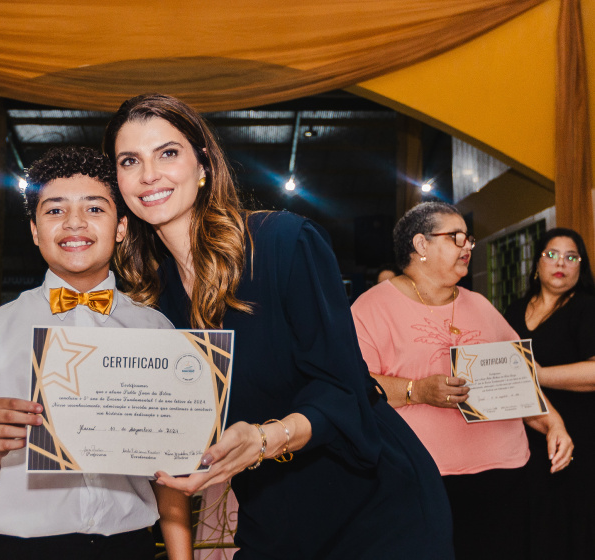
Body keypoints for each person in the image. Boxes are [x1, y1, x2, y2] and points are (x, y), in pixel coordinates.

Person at [103, 93, 453, 559]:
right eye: (130, 161)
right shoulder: (153, 298)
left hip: (374, 507)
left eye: (167, 153)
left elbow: (344, 390)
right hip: (274, 516)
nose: (149, 174)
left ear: (202, 164)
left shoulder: (282, 243)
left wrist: (264, 439)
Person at [0, 146, 192, 560]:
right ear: (35, 231)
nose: (74, 222)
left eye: (95, 209)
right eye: (55, 211)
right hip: (18, 550)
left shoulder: (156, 330)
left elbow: (169, 473)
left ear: (121, 227)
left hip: (128, 548)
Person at [351, 202, 574, 560]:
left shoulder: (480, 305)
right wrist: (417, 390)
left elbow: (517, 380)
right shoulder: (371, 307)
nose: (468, 246)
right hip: (422, 477)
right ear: (421, 245)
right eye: (456, 237)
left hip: (504, 474)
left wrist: (553, 423)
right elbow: (355, 386)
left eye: (468, 238)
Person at [503, 227, 595, 559]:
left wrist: (538, 375)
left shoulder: (587, 308)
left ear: (580, 267)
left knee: (570, 535)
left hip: (579, 443)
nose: (561, 263)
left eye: (572, 257)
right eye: (552, 254)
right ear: (537, 263)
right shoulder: (513, 311)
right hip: (523, 439)